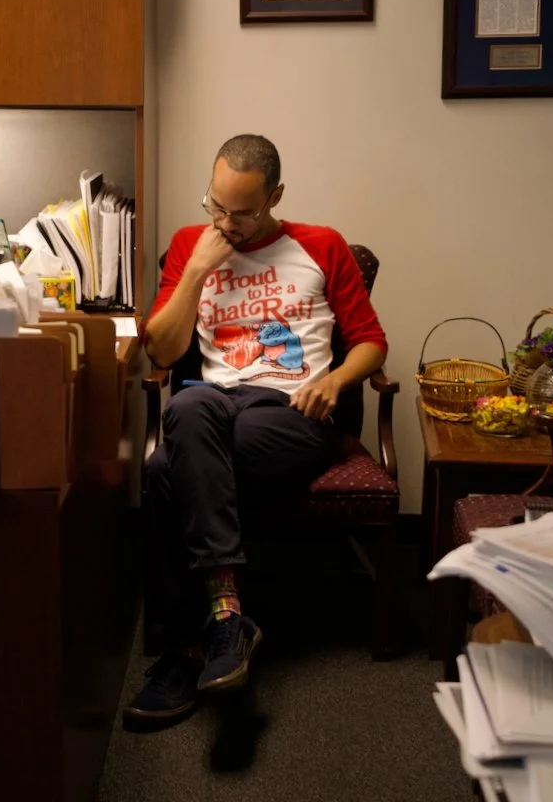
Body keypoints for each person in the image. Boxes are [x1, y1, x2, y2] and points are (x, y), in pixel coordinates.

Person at [124, 134, 387, 723]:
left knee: (169, 467)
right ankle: (223, 622)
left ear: (275, 197)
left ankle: (183, 649)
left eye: (241, 211)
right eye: (215, 206)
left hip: (290, 412)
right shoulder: (192, 246)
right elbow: (161, 352)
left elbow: (371, 341)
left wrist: (337, 382)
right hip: (214, 403)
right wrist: (195, 272)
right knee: (186, 417)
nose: (226, 222)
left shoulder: (321, 245)